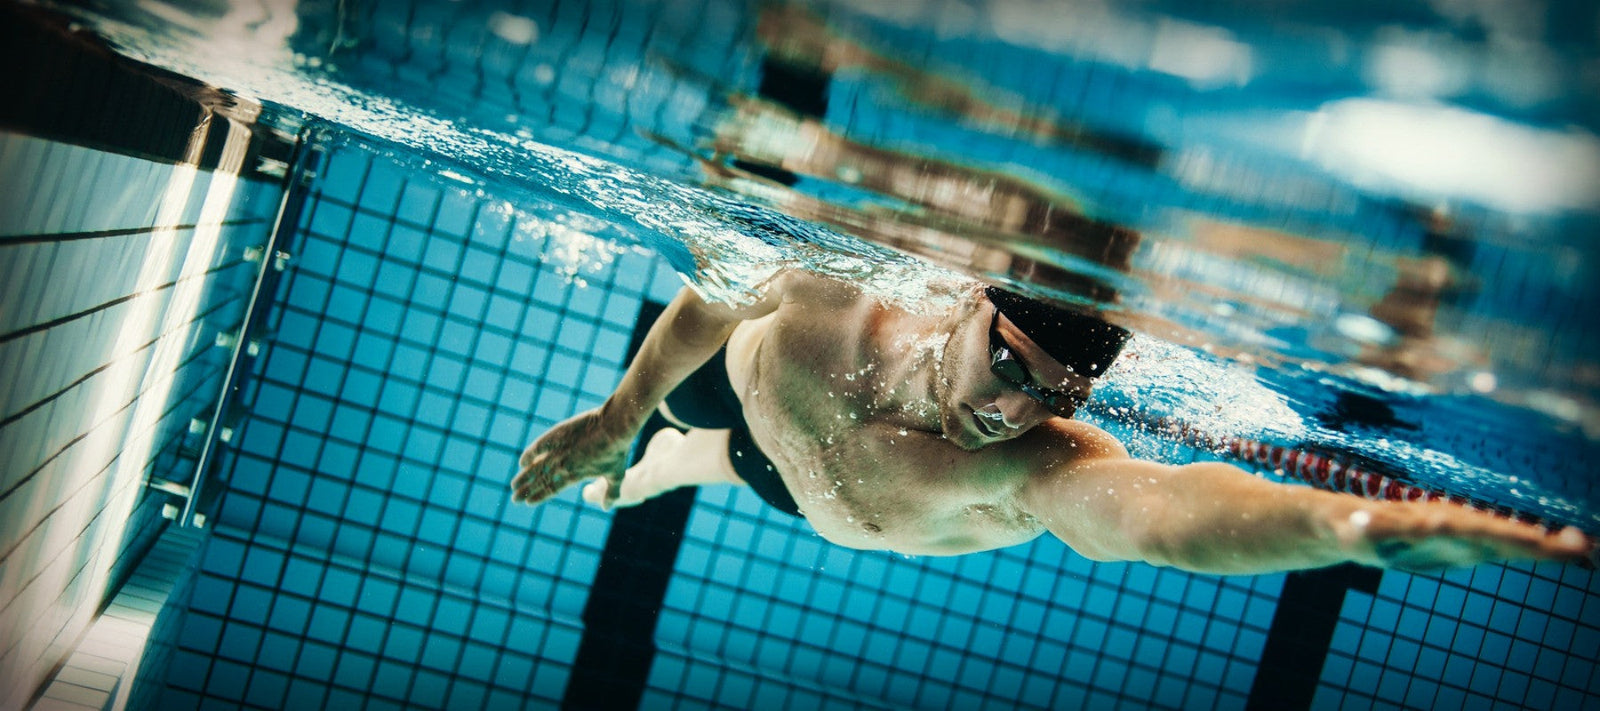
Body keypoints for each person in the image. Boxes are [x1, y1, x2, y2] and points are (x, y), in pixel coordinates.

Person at [510, 271, 1595, 574]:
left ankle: (667, 466)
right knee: (679, 422)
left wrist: (1336, 528)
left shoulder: (1033, 466)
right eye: (1005, 366)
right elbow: (712, 294)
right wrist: (614, 416)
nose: (1011, 412)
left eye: (1052, 396)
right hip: (745, 390)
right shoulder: (829, 297)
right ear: (970, 303)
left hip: (796, 486)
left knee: (716, 468)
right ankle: (651, 453)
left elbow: (1160, 514)